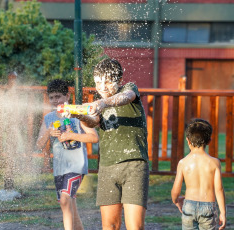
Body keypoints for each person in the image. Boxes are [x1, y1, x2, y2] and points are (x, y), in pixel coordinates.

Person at [67, 58, 149, 230]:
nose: (102, 87)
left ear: (118, 80)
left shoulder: (129, 89)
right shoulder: (100, 103)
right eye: (98, 82)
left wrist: (102, 102)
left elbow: (125, 98)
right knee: (109, 226)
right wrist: (78, 115)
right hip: (107, 167)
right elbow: (92, 122)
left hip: (134, 165)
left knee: (135, 226)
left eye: (107, 81)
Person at [36, 79, 99, 230]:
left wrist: (72, 136)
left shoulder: (77, 114)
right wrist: (49, 133)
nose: (55, 100)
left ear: (67, 96)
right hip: (60, 169)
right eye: (51, 97)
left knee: (65, 200)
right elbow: (38, 144)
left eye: (58, 96)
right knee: (70, 206)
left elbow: (94, 137)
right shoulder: (49, 118)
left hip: (76, 166)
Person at [171, 118, 226, 230]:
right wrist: (223, 213)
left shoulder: (183, 163)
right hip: (208, 208)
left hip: (189, 206)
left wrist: (176, 200)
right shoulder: (214, 163)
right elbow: (219, 189)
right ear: (209, 141)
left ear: (188, 140)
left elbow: (175, 190)